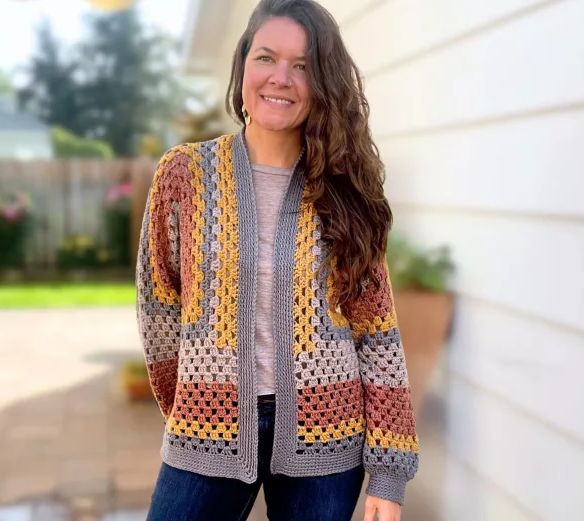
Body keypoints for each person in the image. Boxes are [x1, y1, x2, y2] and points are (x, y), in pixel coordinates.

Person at [136, 1, 418, 519]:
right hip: (205, 424)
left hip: (328, 434)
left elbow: (377, 334)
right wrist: (188, 406)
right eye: (266, 57)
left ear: (322, 82)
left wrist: (389, 473)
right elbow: (160, 304)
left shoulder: (344, 188)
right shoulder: (185, 174)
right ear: (243, 63)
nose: (281, 78)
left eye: (303, 65)